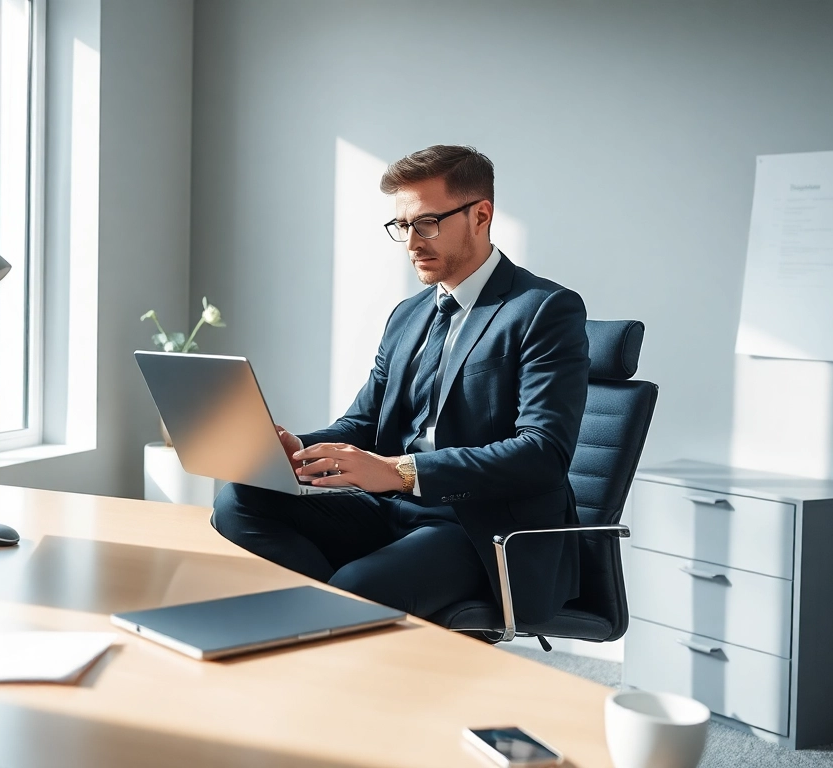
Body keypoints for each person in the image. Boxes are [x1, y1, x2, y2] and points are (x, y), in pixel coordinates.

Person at [211, 145, 589, 625]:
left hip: (477, 529)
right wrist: (296, 451)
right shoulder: (409, 315)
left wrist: (401, 472)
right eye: (402, 227)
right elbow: (363, 422)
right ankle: (335, 618)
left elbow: (542, 454)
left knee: (356, 590)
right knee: (237, 501)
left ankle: (337, 616)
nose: (412, 242)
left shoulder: (542, 309)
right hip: (390, 510)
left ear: (481, 214)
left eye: (427, 223)